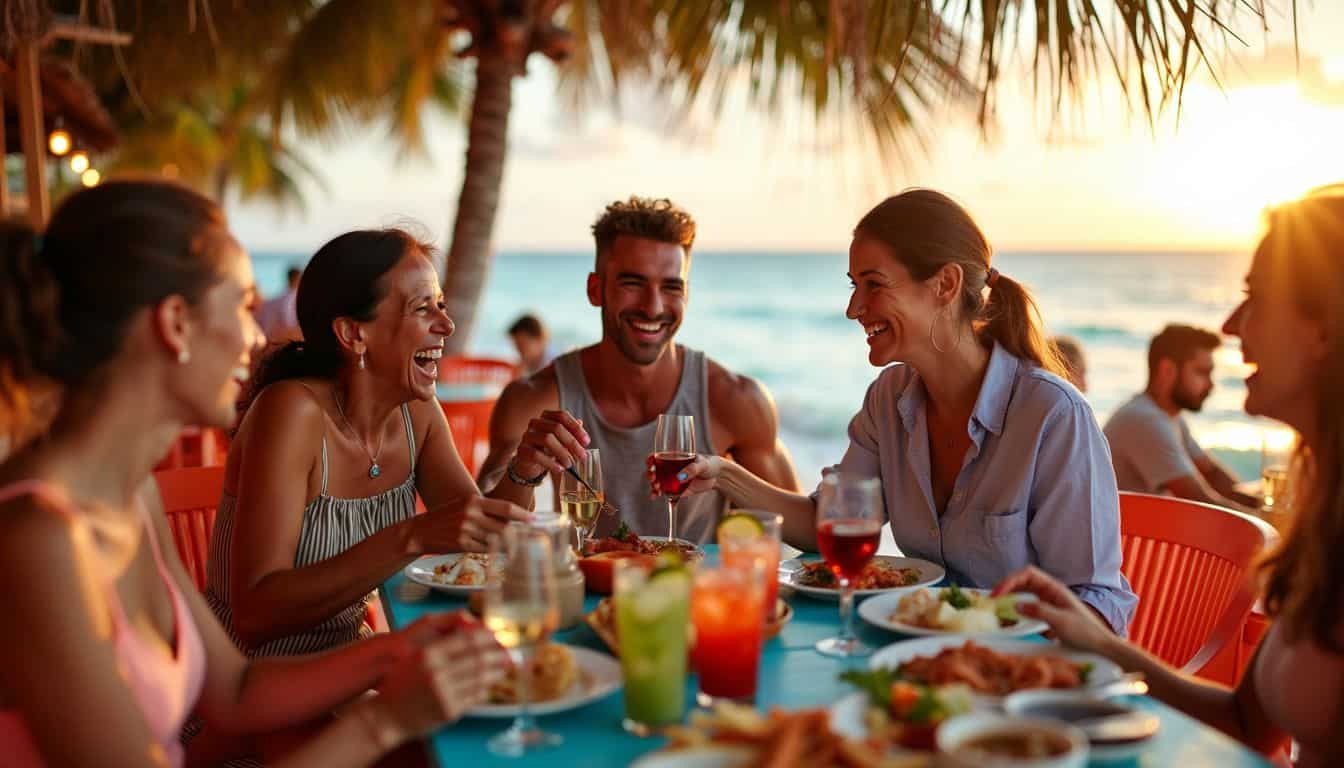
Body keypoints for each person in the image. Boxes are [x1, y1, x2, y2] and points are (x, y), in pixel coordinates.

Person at [0, 181, 508, 767]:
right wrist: (383, 721)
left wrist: (394, 653)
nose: (256, 335)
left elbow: (238, 691)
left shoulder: (129, 492)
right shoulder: (38, 540)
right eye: (243, 306)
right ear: (175, 324)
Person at [659, 189, 1137, 634]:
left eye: (873, 285)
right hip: (921, 649)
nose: (853, 308)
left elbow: (1098, 604)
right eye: (853, 285)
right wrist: (722, 474)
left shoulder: (1052, 415)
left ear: (945, 284)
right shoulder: (889, 399)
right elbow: (824, 525)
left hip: (1023, 682)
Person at [994, 186, 1344, 767]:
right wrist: (1098, 641)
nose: (1233, 325)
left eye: (1255, 298)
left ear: (1326, 327)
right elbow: (1244, 723)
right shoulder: (1324, 508)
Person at [206, 229, 531, 658]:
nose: (446, 325)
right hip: (247, 686)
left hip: (352, 670)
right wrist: (410, 536)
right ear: (353, 334)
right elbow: (255, 614)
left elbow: (479, 547)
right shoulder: (291, 412)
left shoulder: (417, 414)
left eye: (442, 305)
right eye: (422, 309)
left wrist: (527, 467)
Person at [479, 196, 801, 544]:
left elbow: (800, 536)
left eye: (671, 287)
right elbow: (480, 534)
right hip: (584, 596)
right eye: (633, 283)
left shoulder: (735, 399)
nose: (653, 307)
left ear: (687, 295)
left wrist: (728, 477)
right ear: (595, 289)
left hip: (695, 595)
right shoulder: (533, 398)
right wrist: (522, 471)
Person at [1104, 323, 1259, 512]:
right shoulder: (1144, 420)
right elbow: (1200, 500)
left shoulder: (1170, 417)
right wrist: (1273, 522)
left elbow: (1212, 473)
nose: (1211, 386)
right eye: (1202, 372)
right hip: (1131, 538)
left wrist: (1261, 502)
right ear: (1167, 370)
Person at [256, 265, 302, 341]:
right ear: (297, 279)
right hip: (284, 340)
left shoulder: (283, 296)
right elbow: (289, 323)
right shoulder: (290, 298)